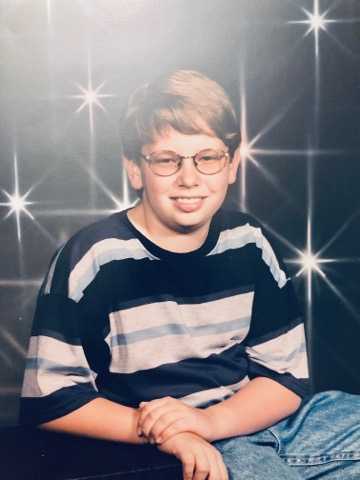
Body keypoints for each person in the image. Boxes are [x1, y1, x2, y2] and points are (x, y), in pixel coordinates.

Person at [20, 69, 360, 480]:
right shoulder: (93, 258)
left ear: (232, 165)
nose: (189, 178)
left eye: (208, 157)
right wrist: (174, 432)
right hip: (156, 439)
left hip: (245, 419)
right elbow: (50, 400)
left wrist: (213, 422)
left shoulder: (248, 242)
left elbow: (285, 379)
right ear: (134, 169)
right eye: (166, 160)